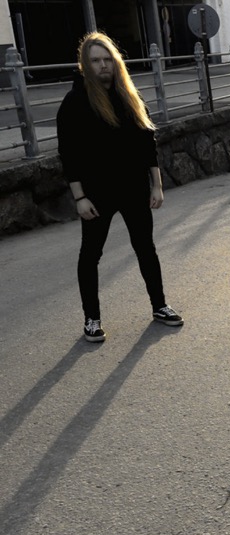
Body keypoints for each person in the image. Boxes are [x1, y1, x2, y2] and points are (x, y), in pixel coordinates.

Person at [57, 32, 183, 343]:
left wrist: (157, 185)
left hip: (133, 188)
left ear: (116, 62)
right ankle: (92, 319)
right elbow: (69, 155)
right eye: (95, 60)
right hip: (96, 193)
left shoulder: (129, 97)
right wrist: (80, 197)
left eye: (107, 59)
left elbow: (147, 144)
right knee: (91, 255)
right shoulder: (75, 102)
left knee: (145, 248)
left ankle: (159, 305)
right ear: (85, 64)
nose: (103, 65)